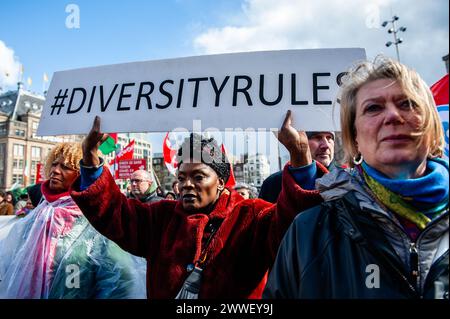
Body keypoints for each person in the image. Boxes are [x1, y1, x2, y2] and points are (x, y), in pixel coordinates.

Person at [69, 113, 324, 299]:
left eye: (198, 177)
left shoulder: (251, 216)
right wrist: (91, 163)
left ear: (221, 181)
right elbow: (114, 213)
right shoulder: (161, 218)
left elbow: (293, 223)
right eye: (181, 178)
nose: (187, 185)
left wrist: (301, 158)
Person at [263, 56, 449, 299]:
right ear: (355, 138)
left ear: (432, 126)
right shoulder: (308, 234)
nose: (393, 116)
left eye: (408, 104)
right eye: (373, 108)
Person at [0, 142, 146, 298]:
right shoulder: (38, 217)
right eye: (54, 164)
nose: (55, 171)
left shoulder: (99, 220)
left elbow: (120, 284)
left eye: (65, 167)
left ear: (82, 174)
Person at [259, 131, 336, 203]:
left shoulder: (345, 180)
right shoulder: (274, 184)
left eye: (329, 138)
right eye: (317, 137)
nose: (326, 145)